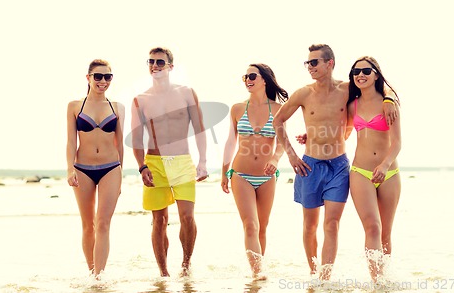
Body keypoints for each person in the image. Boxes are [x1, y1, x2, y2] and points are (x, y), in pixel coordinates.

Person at [272, 44, 397, 280]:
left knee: (331, 224)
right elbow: (278, 121)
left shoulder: (347, 89)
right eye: (308, 63)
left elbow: (379, 88)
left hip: (339, 166)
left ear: (330, 63)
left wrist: (389, 100)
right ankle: (312, 272)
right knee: (310, 226)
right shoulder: (303, 93)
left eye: (314, 62)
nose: (310, 67)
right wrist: (291, 154)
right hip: (309, 165)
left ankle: (324, 278)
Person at [131, 47, 208, 277]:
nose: (155, 65)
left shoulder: (186, 93)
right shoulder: (140, 100)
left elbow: (199, 128)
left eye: (160, 62)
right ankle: (163, 273)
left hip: (182, 161)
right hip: (154, 162)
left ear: (170, 66)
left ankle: (185, 265)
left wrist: (203, 161)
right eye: (151, 61)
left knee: (187, 216)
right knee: (159, 220)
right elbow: (136, 139)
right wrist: (141, 166)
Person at [221, 63, 288, 279]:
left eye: (252, 75)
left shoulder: (277, 110)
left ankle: (258, 271)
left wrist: (276, 161)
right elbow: (231, 142)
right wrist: (224, 171)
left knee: (262, 227)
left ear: (265, 80)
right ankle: (257, 274)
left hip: (268, 176)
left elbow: (281, 142)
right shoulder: (237, 109)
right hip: (241, 174)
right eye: (245, 77)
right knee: (250, 224)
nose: (247, 80)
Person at [66, 59, 125, 278]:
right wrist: (69, 169)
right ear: (88, 78)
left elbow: (120, 143)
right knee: (88, 225)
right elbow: (71, 142)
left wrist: (121, 173)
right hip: (82, 168)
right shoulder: (74, 106)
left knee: (103, 223)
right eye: (98, 76)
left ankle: (99, 278)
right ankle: (91, 272)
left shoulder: (117, 107)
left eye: (107, 77)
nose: (102, 81)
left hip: (111, 168)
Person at [347, 56, 401, 281]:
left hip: (389, 172)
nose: (360, 74)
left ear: (376, 74)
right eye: (356, 71)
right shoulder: (352, 105)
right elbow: (343, 132)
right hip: (360, 172)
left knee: (386, 231)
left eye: (366, 71)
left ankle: (386, 279)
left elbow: (397, 142)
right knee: (372, 227)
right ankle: (376, 281)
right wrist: (312, 137)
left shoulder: (389, 102)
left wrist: (385, 164)